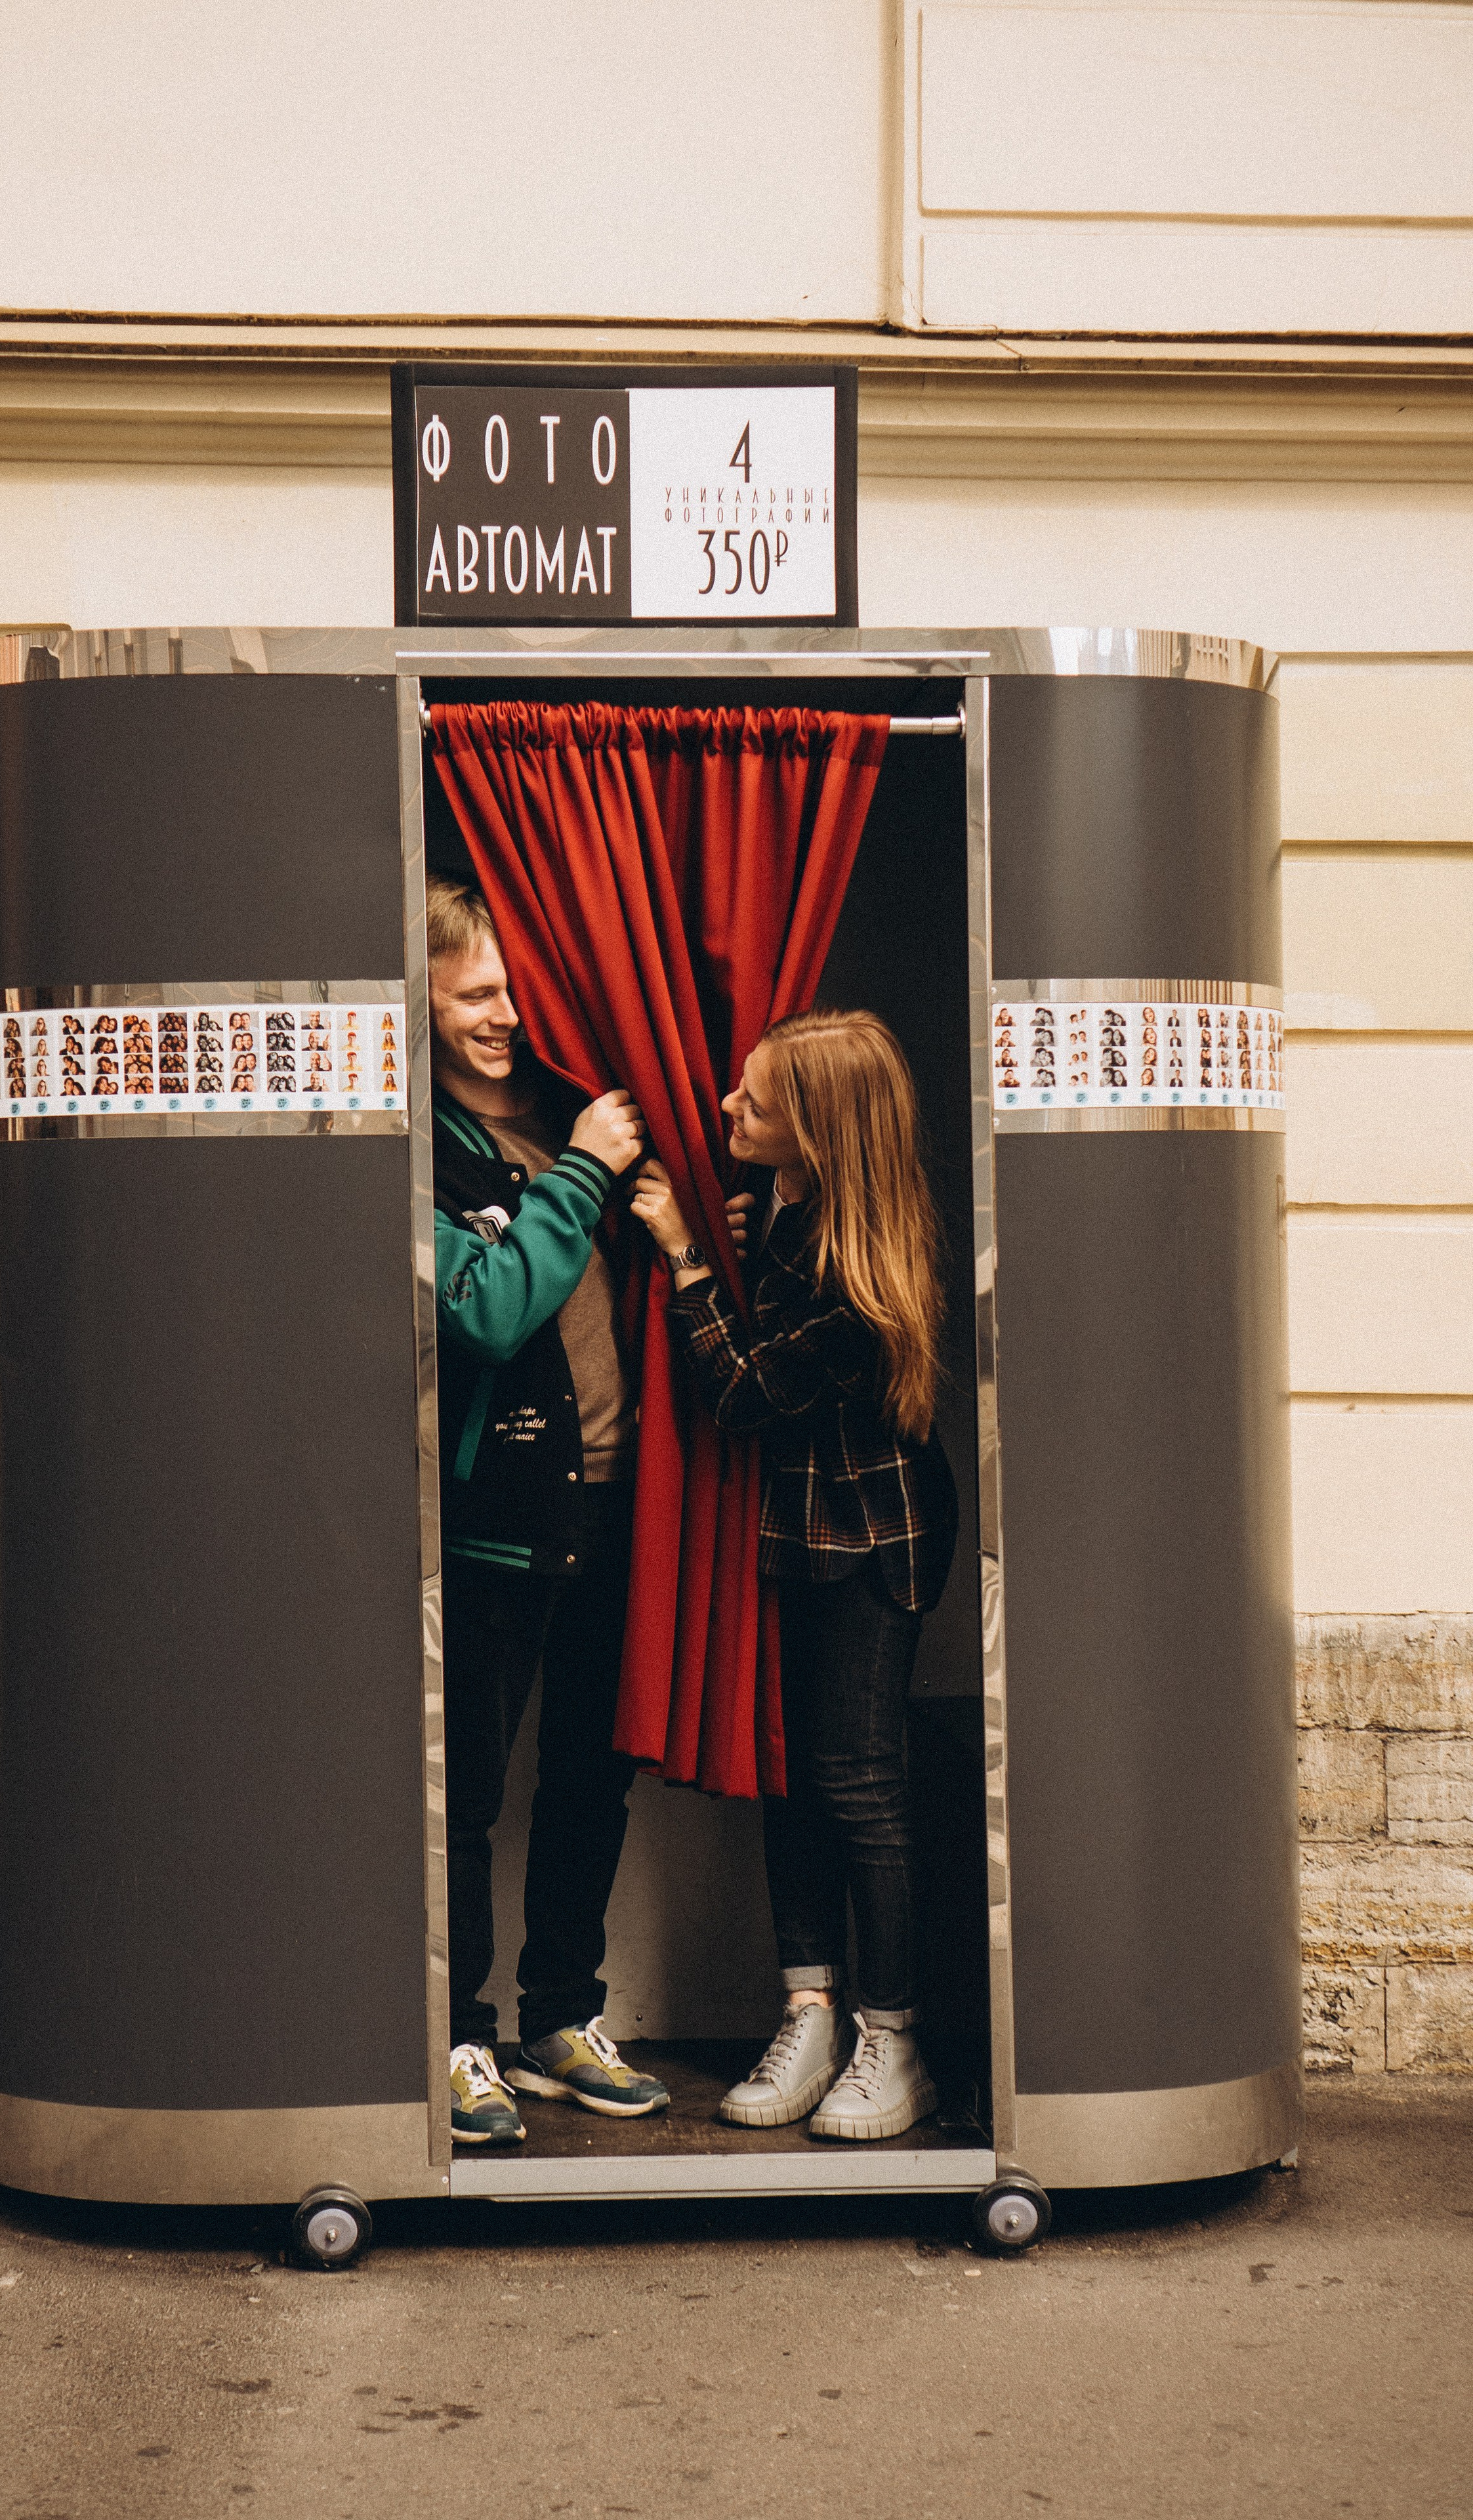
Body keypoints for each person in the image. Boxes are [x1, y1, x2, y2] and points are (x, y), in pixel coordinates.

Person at [630, 1009, 958, 2141]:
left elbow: (743, 1395)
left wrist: (683, 1257)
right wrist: (748, 1228)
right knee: (794, 1773)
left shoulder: (859, 1276)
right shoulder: (794, 1210)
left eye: (754, 1104)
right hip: (803, 1531)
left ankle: (893, 2035)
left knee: (861, 1784)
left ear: (819, 1136)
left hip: (870, 1540)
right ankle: (812, 2010)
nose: (725, 1108)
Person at [427, 876, 671, 2145]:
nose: (506, 1017)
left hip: (623, 1502)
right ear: (417, 990)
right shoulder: (417, 1142)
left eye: (521, 990)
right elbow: (484, 1311)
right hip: (492, 1518)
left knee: (593, 1773)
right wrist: (581, 1174)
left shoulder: (597, 1104)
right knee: (465, 1788)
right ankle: (458, 2037)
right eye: (476, 994)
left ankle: (560, 2017)